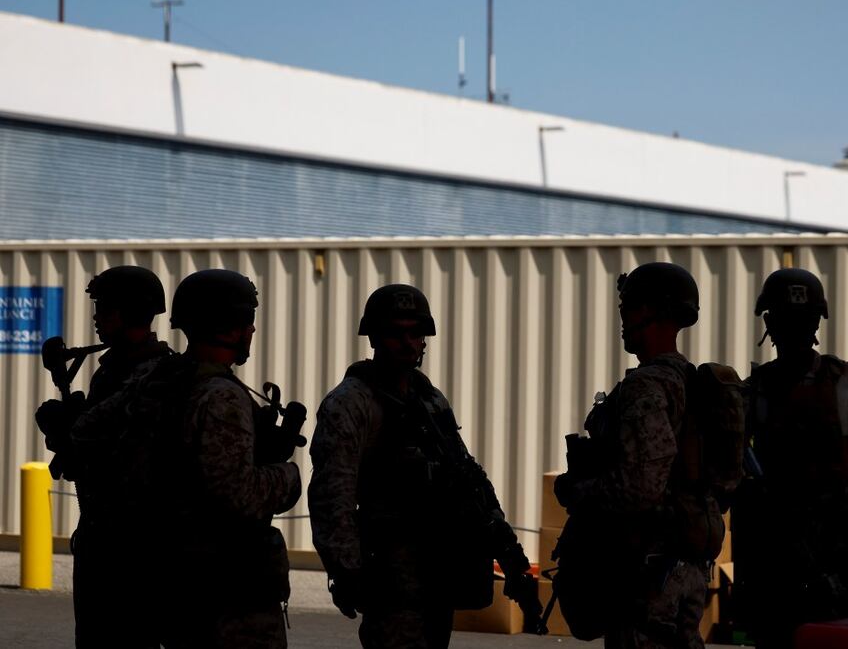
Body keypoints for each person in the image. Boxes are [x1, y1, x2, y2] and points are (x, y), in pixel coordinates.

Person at [309, 283, 540, 648]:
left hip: (438, 576)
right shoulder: (351, 403)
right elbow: (331, 496)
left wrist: (510, 556)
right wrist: (348, 572)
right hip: (391, 583)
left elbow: (469, 480)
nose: (407, 343)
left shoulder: (429, 399)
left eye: (415, 333)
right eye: (395, 333)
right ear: (374, 337)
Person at [735, 267, 848, 648]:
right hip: (778, 547)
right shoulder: (753, 391)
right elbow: (723, 461)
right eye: (787, 320)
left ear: (817, 322)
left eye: (804, 320)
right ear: (770, 322)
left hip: (840, 540)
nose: (796, 330)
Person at [140, 268, 302, 648]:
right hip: (228, 596)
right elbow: (238, 493)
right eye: (248, 322)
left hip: (179, 583)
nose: (252, 332)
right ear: (229, 327)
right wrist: (288, 476)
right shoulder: (221, 397)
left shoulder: (161, 380)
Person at [553, 261, 710, 648]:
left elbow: (641, 487)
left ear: (653, 312)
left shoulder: (646, 387)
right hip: (686, 564)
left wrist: (577, 490)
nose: (623, 318)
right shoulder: (693, 383)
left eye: (630, 308)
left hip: (648, 572)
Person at [35, 265, 171, 648]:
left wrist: (76, 432)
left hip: (134, 549)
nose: (96, 317)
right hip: (105, 538)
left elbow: (135, 459)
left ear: (130, 312)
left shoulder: (155, 374)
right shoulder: (113, 370)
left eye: (105, 308)